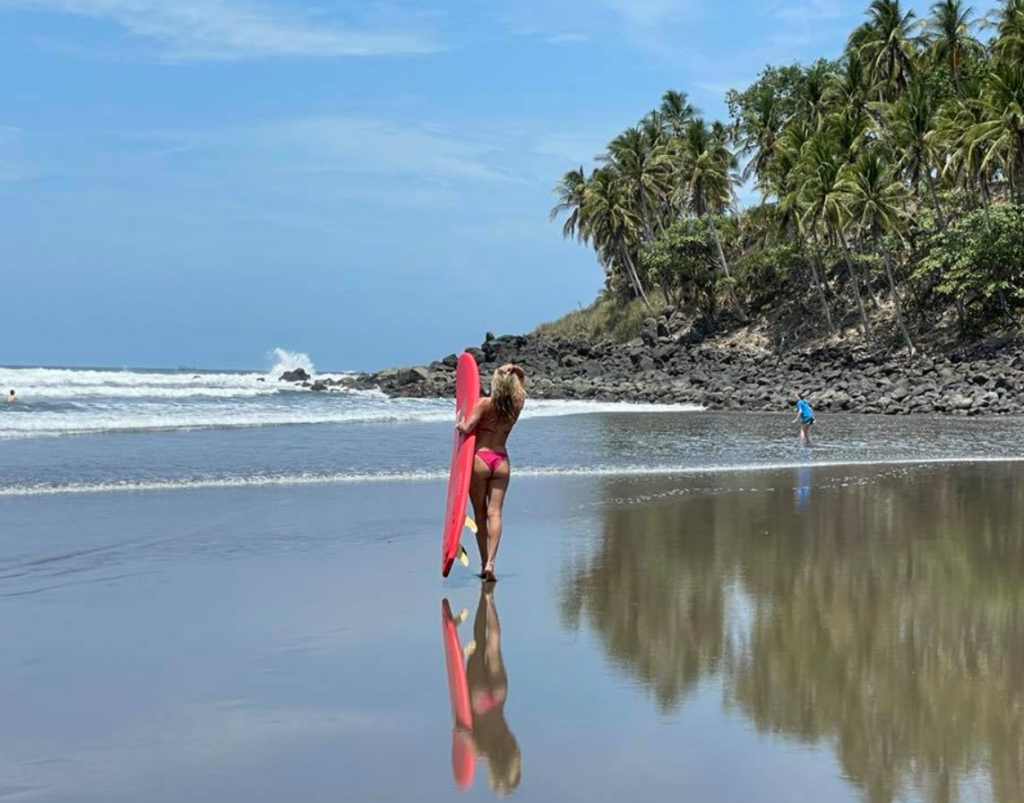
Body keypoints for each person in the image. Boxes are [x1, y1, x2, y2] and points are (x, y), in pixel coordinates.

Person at [457, 364, 526, 583]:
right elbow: (522, 383)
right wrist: (515, 369)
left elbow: (467, 428)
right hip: (501, 461)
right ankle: (491, 564)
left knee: (480, 513)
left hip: (480, 460)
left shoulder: (484, 404)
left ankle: (482, 561)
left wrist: (460, 424)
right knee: (495, 513)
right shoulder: (517, 405)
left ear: (494, 384)